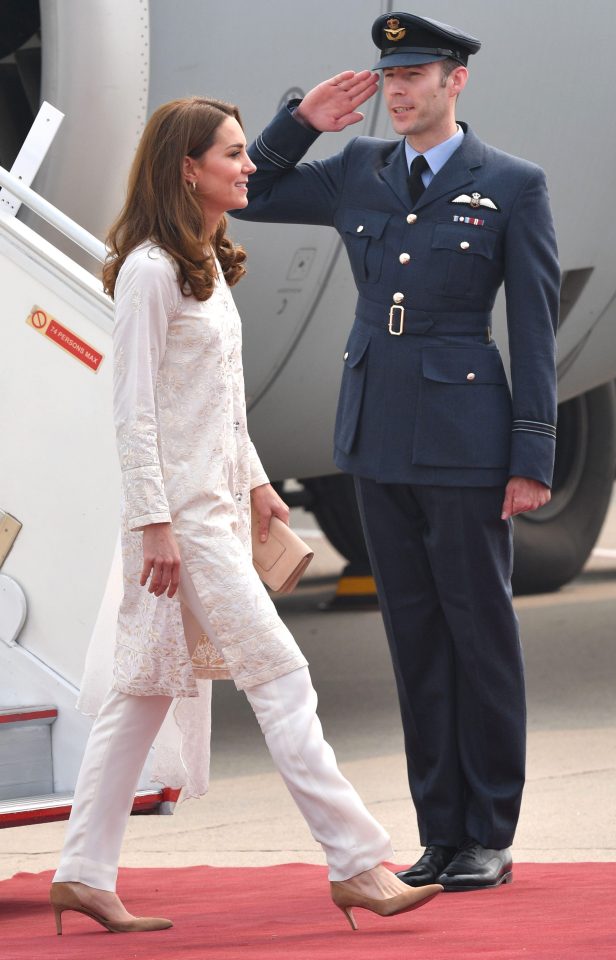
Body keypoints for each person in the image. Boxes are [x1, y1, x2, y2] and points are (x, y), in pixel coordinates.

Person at [49, 95, 443, 936]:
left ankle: (82, 871)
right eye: (232, 154)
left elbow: (219, 404)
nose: (248, 166)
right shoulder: (152, 270)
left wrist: (260, 483)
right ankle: (356, 863)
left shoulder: (202, 260)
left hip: (218, 511)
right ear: (187, 168)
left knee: (143, 694)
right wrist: (152, 520)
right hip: (182, 526)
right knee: (283, 677)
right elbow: (134, 413)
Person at [232, 12, 559, 891]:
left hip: (465, 443)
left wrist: (532, 456)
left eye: (417, 74)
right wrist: (300, 125)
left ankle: (489, 830)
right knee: (414, 639)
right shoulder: (358, 171)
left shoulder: (511, 185)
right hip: (375, 439)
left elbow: (533, 328)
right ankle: (440, 833)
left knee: (478, 633)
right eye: (391, 75)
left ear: (457, 81)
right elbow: (247, 192)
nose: (400, 89)